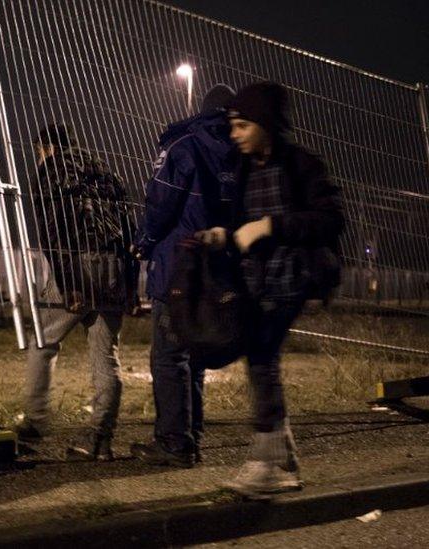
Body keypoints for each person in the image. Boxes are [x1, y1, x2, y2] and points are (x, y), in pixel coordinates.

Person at [197, 81, 343, 497]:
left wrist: (270, 227)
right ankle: (285, 461)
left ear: (264, 124)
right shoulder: (245, 170)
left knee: (261, 357)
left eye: (242, 125)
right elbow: (243, 224)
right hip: (259, 282)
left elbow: (331, 219)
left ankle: (267, 463)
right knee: (261, 359)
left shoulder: (301, 166)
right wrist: (223, 235)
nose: (234, 134)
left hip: (293, 279)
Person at [128, 85, 237, 468]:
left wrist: (144, 241)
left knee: (168, 354)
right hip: (216, 267)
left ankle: (174, 442)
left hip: (177, 263)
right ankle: (192, 436)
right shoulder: (239, 152)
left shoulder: (183, 145)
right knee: (194, 353)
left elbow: (161, 201)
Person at [15, 123, 138, 461]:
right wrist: (129, 283)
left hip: (77, 262)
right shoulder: (106, 171)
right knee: (106, 355)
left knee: (43, 340)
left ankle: (36, 420)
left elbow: (53, 233)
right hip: (114, 265)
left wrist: (69, 284)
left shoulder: (51, 170)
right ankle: (99, 438)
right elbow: (130, 227)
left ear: (44, 148)